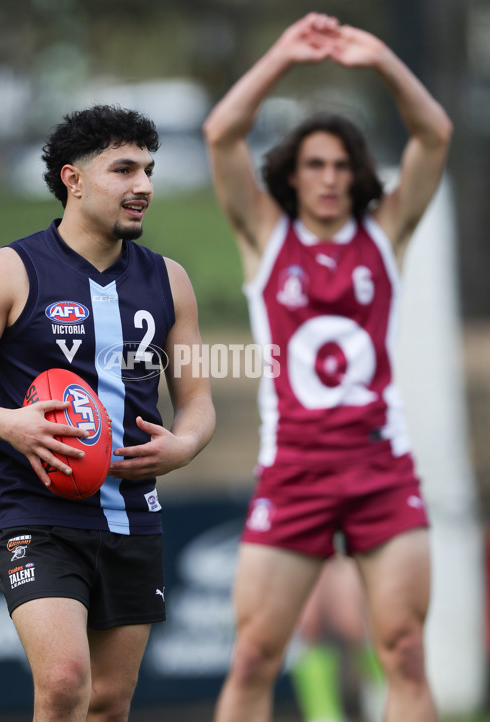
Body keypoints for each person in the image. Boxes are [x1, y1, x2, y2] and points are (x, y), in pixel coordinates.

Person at [0, 104, 215, 721]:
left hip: (134, 512)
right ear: (73, 179)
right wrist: (11, 424)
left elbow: (198, 404)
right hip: (37, 509)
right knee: (63, 684)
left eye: (148, 170)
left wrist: (184, 446)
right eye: (124, 170)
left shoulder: (171, 281)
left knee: (109, 702)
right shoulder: (10, 270)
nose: (143, 186)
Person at [203, 12, 452, 722]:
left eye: (343, 165)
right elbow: (221, 132)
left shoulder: (388, 232)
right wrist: (283, 52)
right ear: (292, 172)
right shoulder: (263, 233)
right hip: (297, 469)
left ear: (359, 174)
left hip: (381, 467)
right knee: (254, 656)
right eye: (315, 163)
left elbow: (436, 135)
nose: (330, 178)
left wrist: (381, 63)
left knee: (403, 651)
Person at [287, 549, 386, 722]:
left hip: (343, 545)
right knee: (310, 626)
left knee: (353, 626)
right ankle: (323, 716)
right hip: (302, 545)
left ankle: (384, 700)